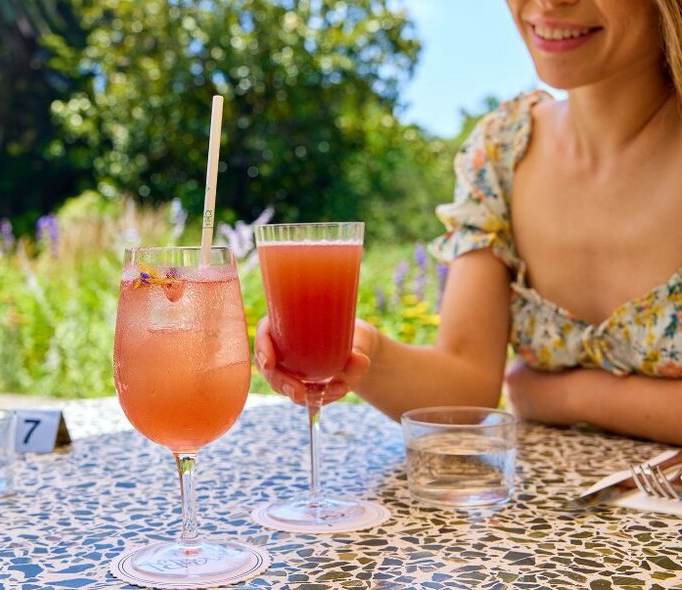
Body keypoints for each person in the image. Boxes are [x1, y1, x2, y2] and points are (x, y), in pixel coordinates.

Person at [255, 0, 682, 447]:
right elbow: (465, 386)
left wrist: (564, 395)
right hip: (558, 513)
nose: (550, 2)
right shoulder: (501, 152)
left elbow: (524, 394)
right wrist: (360, 349)